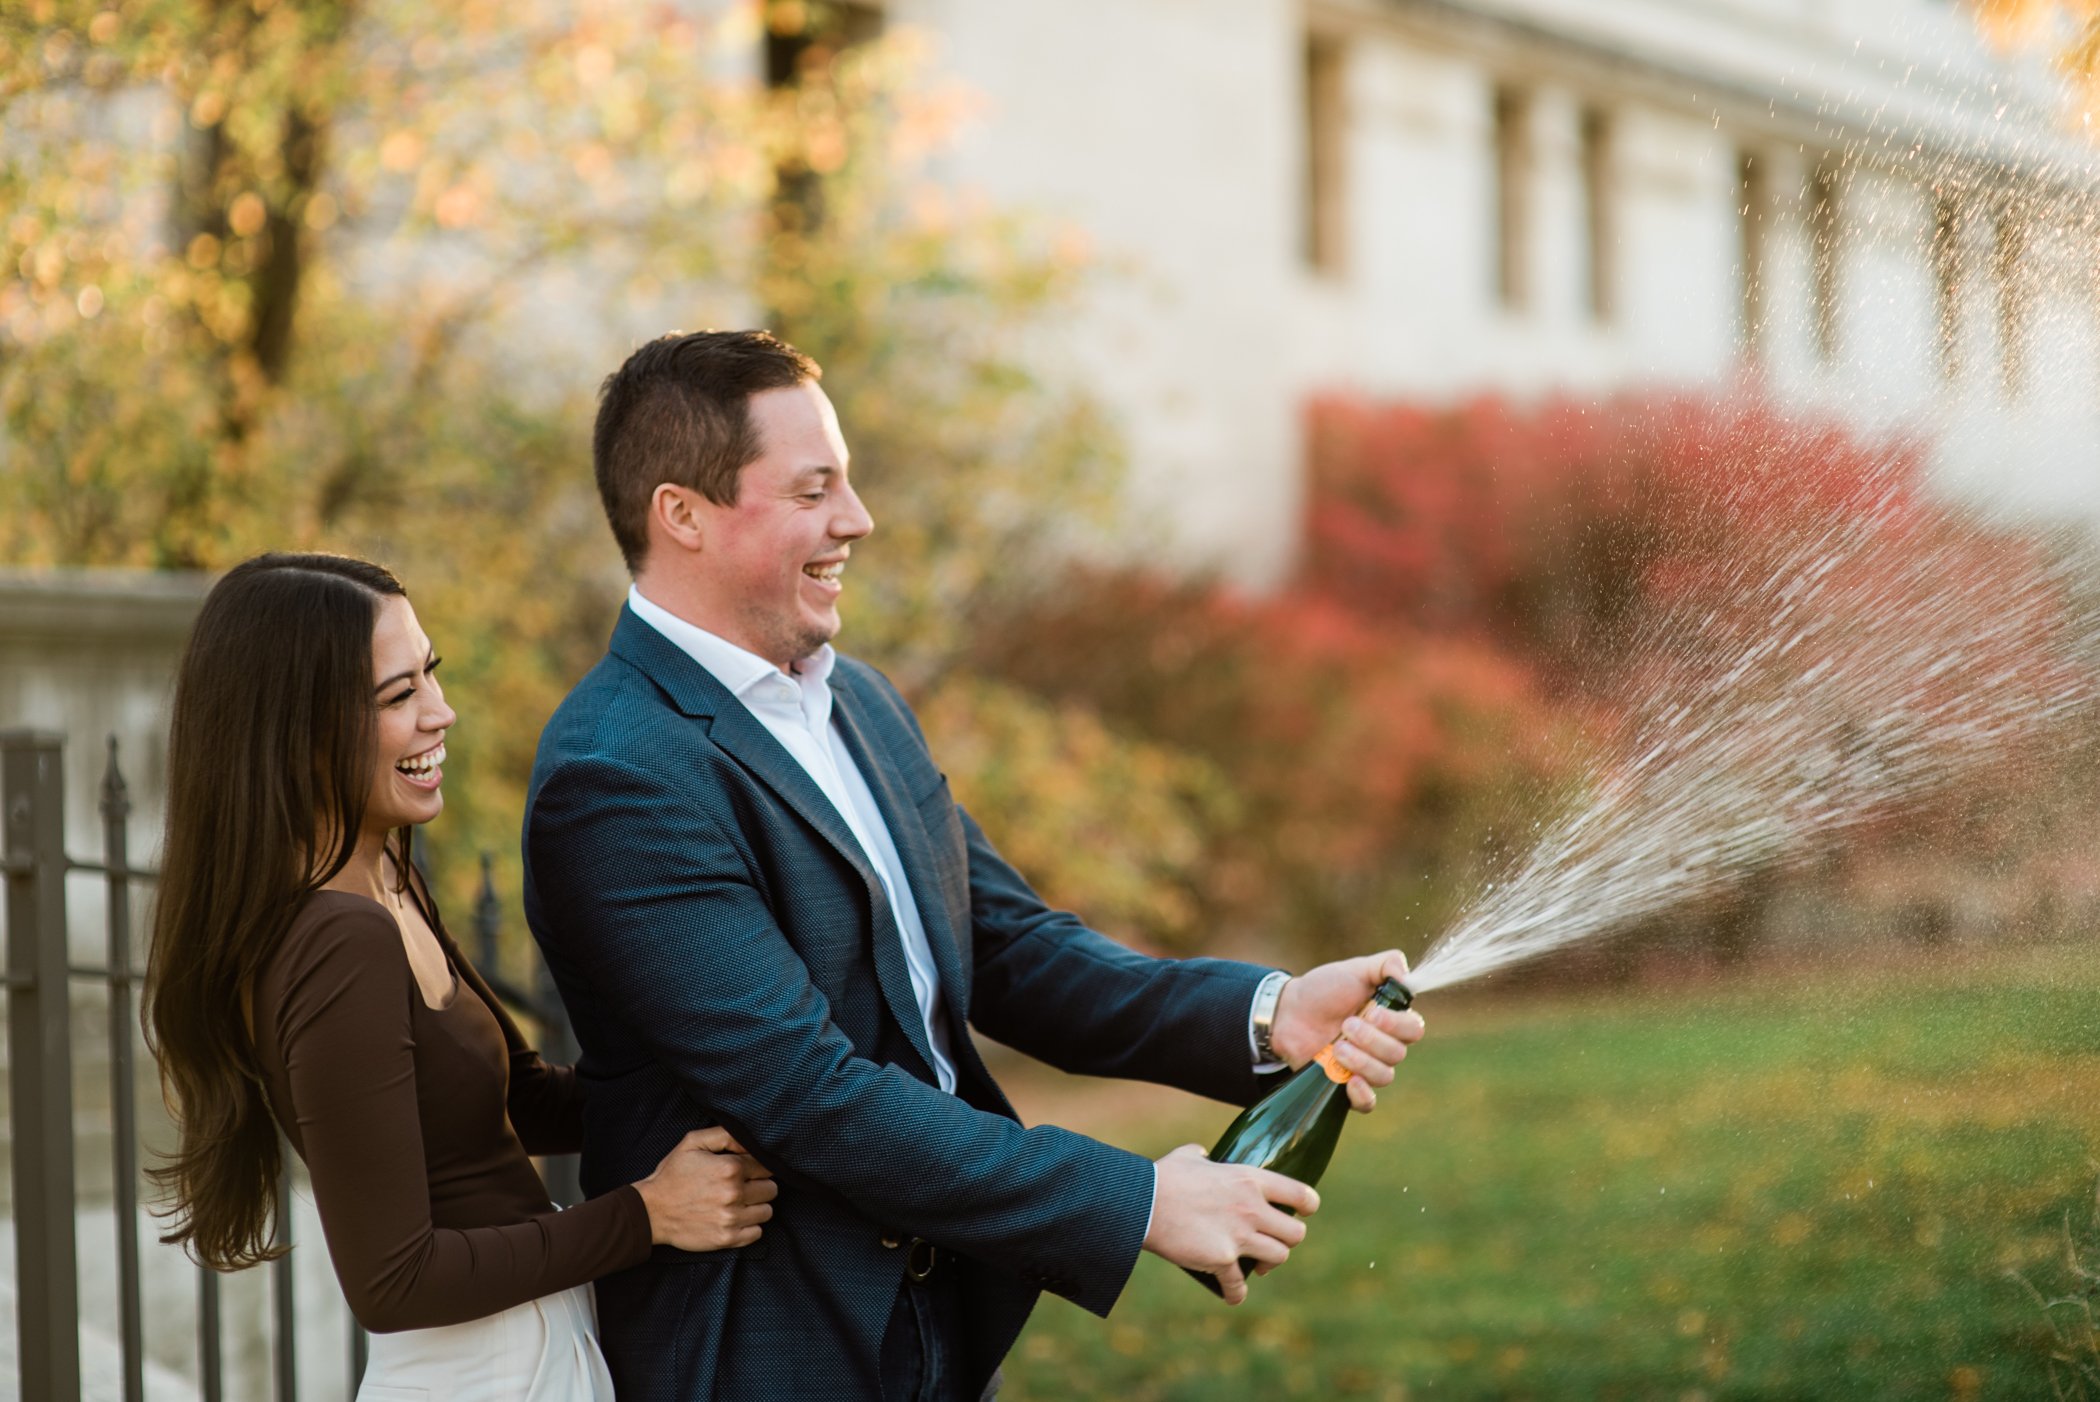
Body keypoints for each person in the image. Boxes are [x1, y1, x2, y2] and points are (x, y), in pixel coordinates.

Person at [522, 330, 1428, 1402]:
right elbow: (809, 1095)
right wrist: (1134, 1201)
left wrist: (1269, 1013)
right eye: (815, 490)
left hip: (940, 1319)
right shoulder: (619, 774)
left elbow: (1008, 946)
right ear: (684, 515)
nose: (856, 519)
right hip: (769, 1347)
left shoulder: (856, 700)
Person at [143, 552, 778, 1402]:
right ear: (298, 730)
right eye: (399, 696)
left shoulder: (387, 876)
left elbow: (526, 1104)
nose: (441, 713)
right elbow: (394, 1280)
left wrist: (746, 1064)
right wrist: (648, 1214)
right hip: (478, 1374)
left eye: (429, 677)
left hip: (542, 1345)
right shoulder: (336, 941)